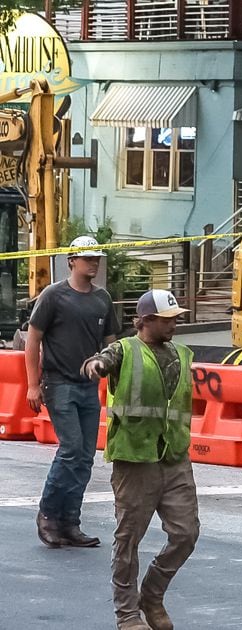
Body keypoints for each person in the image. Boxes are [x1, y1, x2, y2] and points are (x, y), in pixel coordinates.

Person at [82, 289, 198, 630]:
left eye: (175, 318)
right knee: (128, 539)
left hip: (174, 456)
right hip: (135, 457)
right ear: (145, 321)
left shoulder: (181, 354)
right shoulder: (124, 350)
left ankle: (152, 594)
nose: (174, 325)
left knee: (186, 534)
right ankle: (127, 614)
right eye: (167, 320)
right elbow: (103, 360)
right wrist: (96, 365)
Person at [27, 234, 120, 548]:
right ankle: (49, 515)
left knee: (84, 457)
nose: (93, 263)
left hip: (88, 387)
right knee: (70, 450)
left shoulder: (102, 299)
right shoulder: (54, 296)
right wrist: (32, 385)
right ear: (72, 261)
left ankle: (70, 523)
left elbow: (111, 345)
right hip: (59, 383)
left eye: (96, 258)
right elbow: (33, 338)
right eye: (88, 258)